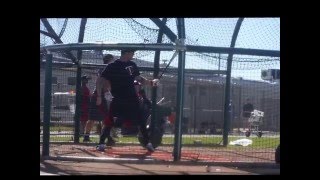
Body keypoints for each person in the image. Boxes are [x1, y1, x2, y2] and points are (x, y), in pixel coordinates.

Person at [96, 48, 159, 152]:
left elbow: (139, 79)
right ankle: (101, 143)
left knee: (140, 120)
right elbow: (100, 81)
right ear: (126, 53)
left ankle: (148, 143)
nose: (132, 55)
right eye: (132, 53)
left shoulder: (132, 65)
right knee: (110, 121)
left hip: (132, 97)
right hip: (118, 98)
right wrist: (99, 96)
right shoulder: (112, 66)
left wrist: (151, 82)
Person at [83, 54, 114, 142]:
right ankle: (86, 136)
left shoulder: (110, 69)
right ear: (109, 60)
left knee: (106, 118)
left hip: (105, 95)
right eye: (112, 60)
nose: (113, 61)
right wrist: (99, 96)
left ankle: (107, 136)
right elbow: (99, 83)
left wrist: (109, 93)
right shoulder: (103, 69)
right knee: (92, 118)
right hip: (98, 95)